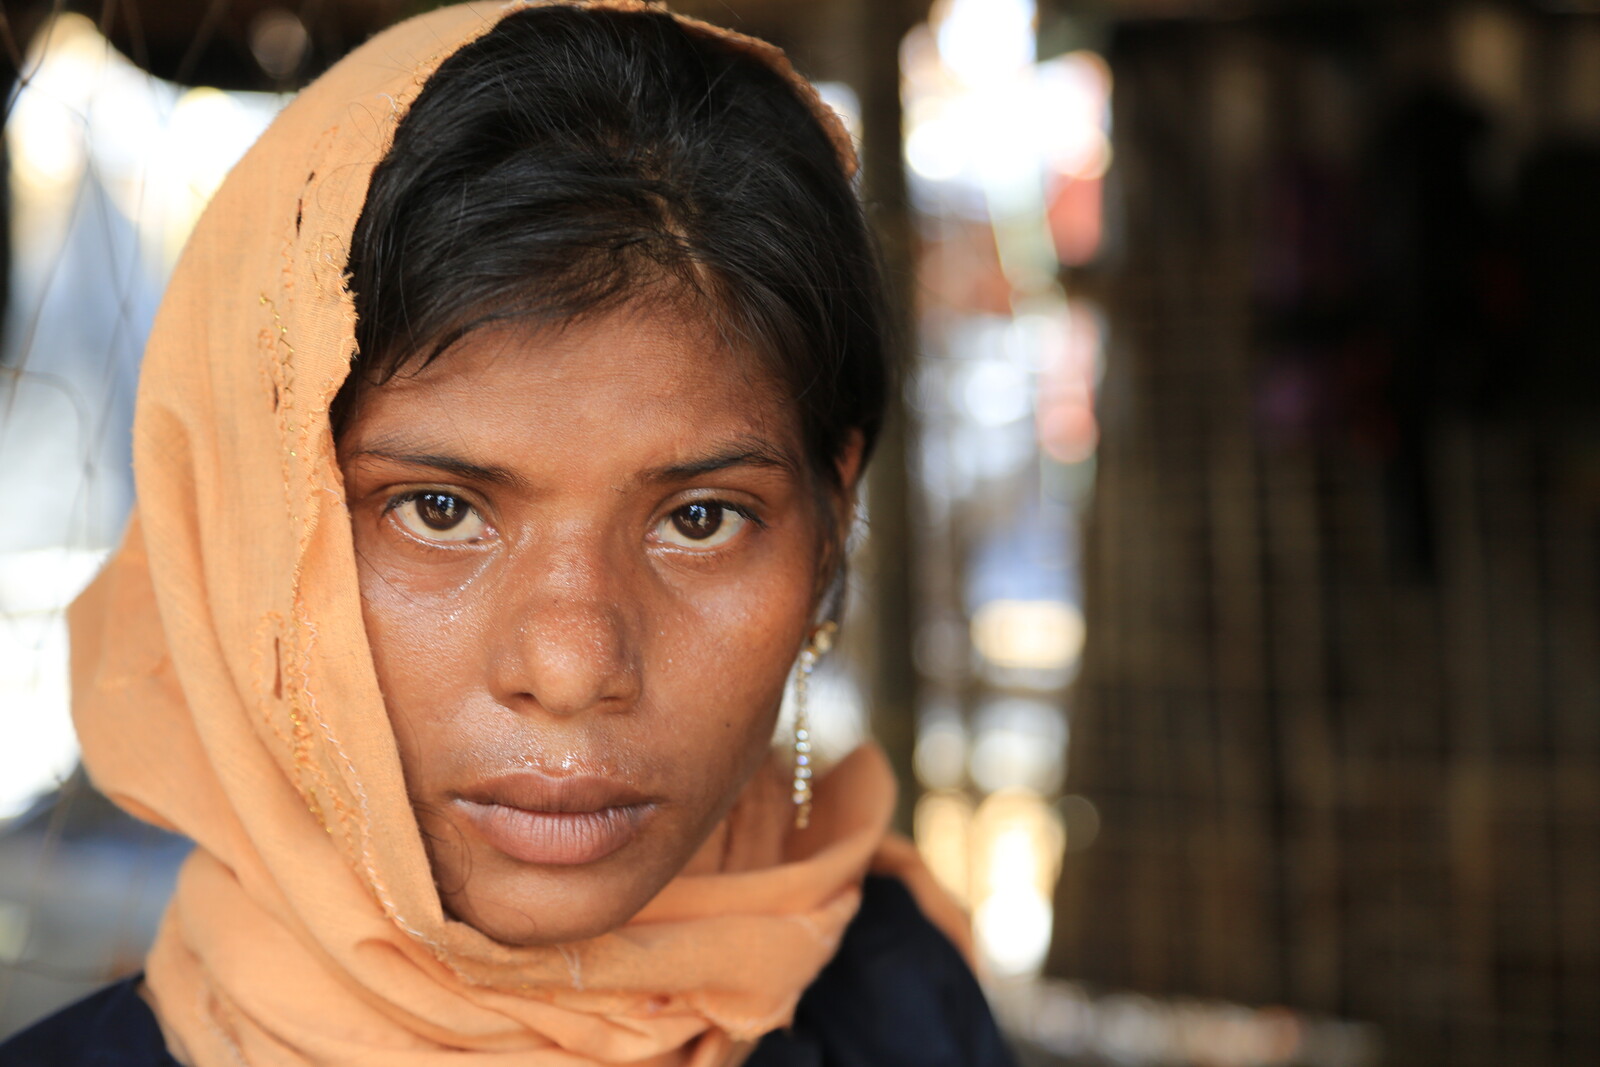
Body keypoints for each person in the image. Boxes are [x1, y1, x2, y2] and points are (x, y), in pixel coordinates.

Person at [0, 2, 1015, 1064]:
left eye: (699, 519)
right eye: (439, 510)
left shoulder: (902, 1009)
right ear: (244, 530)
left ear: (830, 524)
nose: (572, 667)